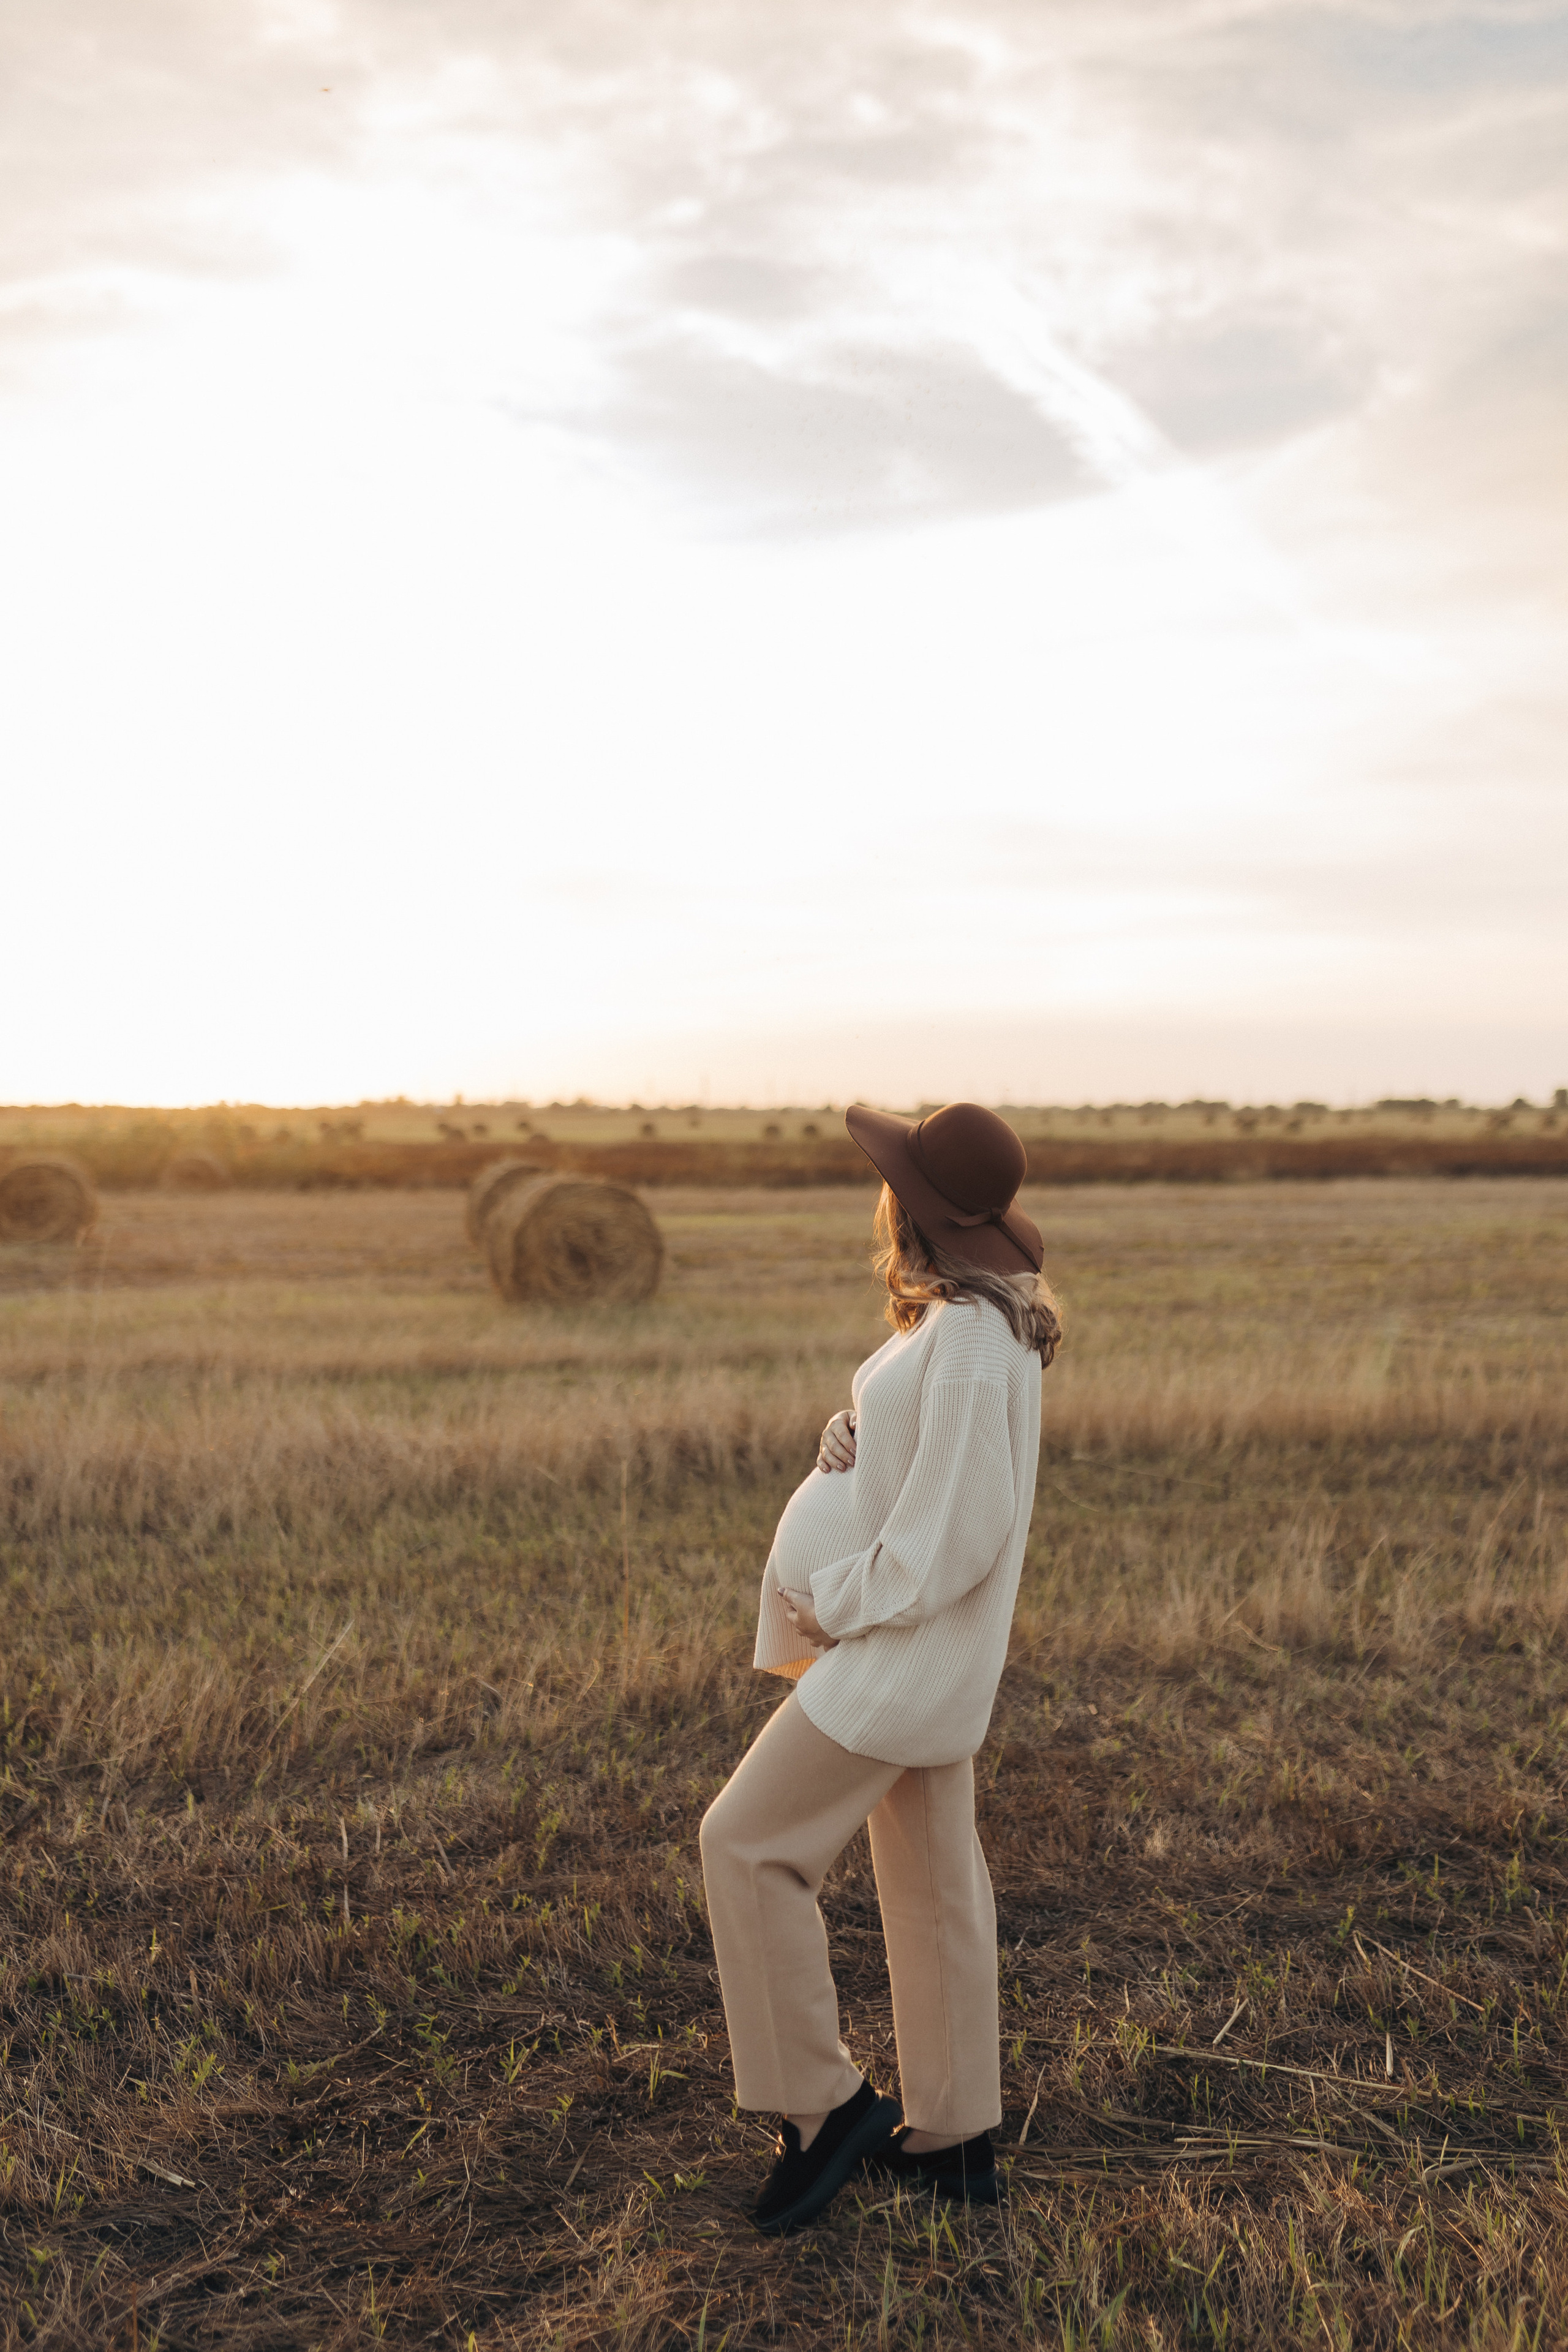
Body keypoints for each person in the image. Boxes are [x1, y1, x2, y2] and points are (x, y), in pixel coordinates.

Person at [699, 1101, 1062, 2234]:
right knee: (935, 1884)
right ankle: (955, 2140)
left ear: (913, 1207)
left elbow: (958, 1530)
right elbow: (930, 1464)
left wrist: (837, 1602)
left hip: (899, 1655)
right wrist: (853, 1436)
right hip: (922, 1658)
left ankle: (826, 2109)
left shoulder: (970, 1340)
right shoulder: (965, 1321)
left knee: (746, 1845)